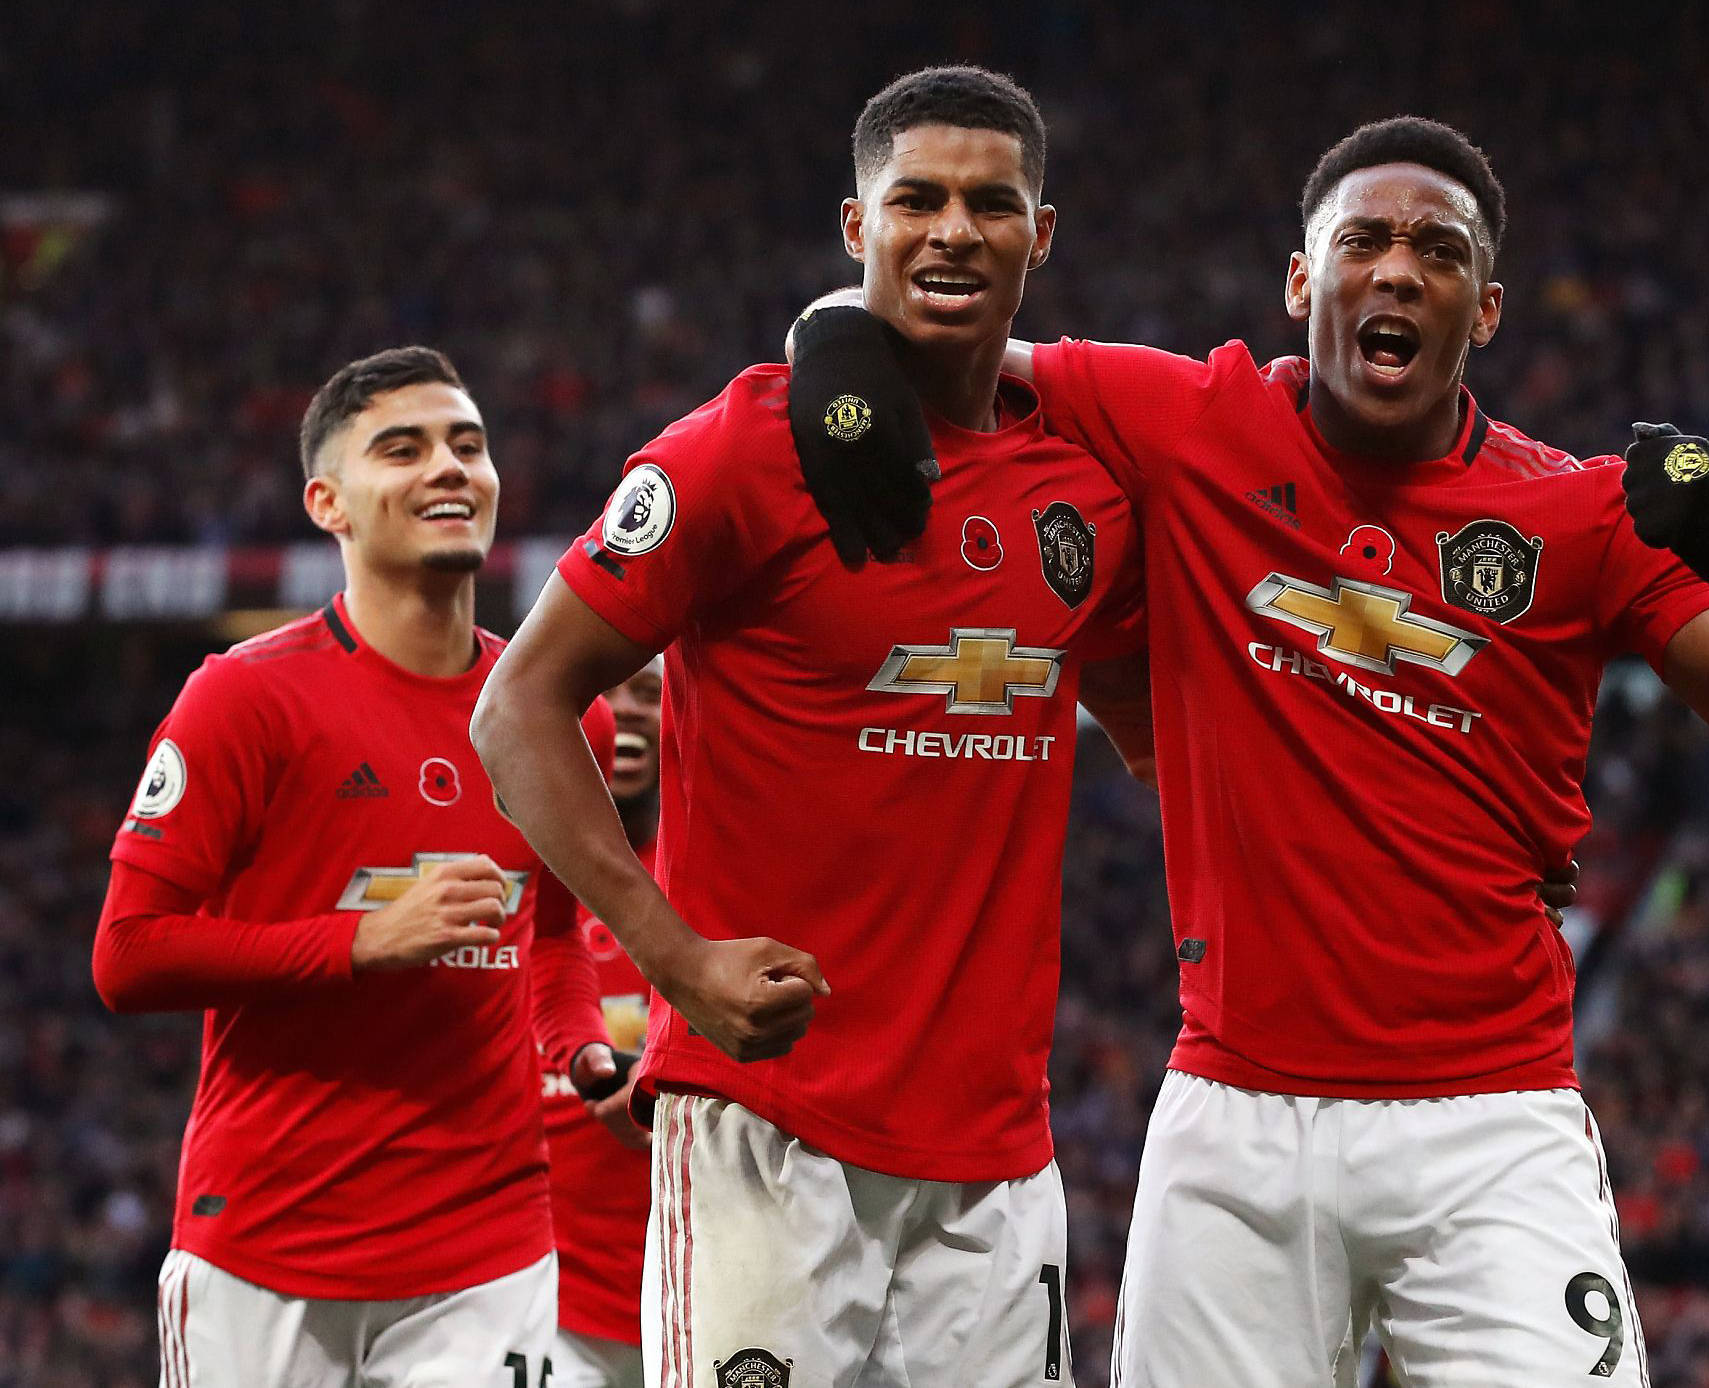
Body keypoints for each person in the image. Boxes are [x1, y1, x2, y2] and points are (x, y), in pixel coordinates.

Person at [787, 116, 1709, 1385]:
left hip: (1491, 1123)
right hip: (1235, 1118)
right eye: (1363, 240)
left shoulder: (1579, 514)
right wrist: (827, 337)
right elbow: (927, 315)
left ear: (1484, 311)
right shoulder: (1192, 422)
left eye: (1439, 251)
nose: (1399, 269)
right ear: (1302, 281)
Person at [471, 66, 1151, 1388]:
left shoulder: (1089, 491)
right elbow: (516, 707)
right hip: (765, 1125)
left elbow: (1158, 736)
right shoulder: (736, 451)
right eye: (917, 200)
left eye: (991, 204)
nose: (953, 230)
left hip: (996, 1154)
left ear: (1042, 235)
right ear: (856, 227)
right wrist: (674, 960)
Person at [93, 346, 623, 1387]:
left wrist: (582, 1053)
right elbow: (128, 955)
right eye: (403, 448)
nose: (449, 467)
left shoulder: (563, 718)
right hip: (269, 1240)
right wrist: (362, 940)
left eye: (467, 445)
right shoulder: (246, 700)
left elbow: (553, 938)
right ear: (327, 503)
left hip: (490, 1246)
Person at [544, 657, 665, 1388]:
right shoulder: (505, 871)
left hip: (704, 1278)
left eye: (648, 692)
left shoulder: (729, 872)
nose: (623, 713)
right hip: (543, 1295)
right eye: (599, 692)